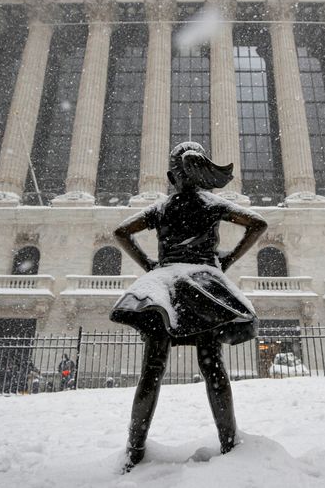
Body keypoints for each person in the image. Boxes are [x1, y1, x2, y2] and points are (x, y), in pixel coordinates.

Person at [112, 142, 267, 471]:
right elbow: (257, 223)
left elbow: (121, 232)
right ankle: (229, 442)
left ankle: (135, 448)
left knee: (152, 371)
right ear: (200, 175)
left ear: (172, 176)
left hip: (165, 289)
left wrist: (150, 266)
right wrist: (225, 261)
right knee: (212, 369)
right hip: (203, 290)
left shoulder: (162, 208)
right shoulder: (211, 204)